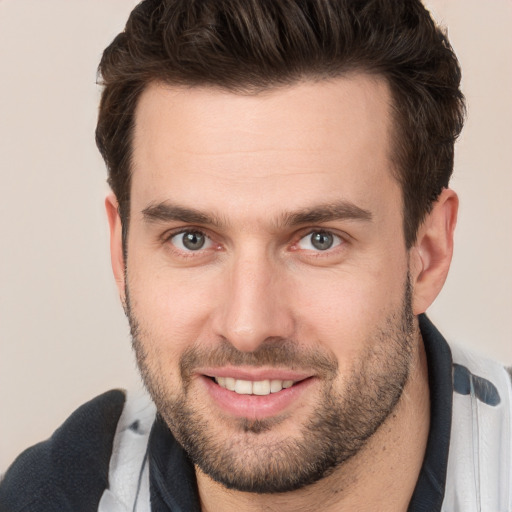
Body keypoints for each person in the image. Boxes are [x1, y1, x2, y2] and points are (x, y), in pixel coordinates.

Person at [1, 0, 511, 510]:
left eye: (319, 239)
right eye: (191, 239)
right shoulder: (59, 495)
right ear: (122, 254)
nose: (248, 326)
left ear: (427, 253)